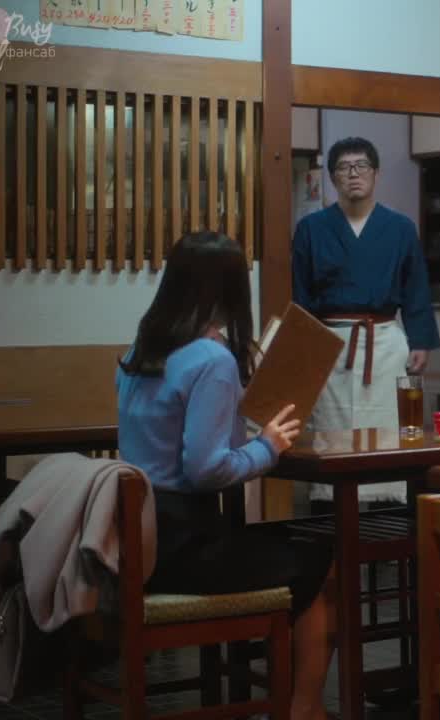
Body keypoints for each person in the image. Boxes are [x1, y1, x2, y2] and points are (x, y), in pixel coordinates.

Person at [117, 232, 335, 720]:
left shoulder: (141, 350)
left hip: (137, 543)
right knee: (320, 561)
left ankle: (275, 699)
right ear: (231, 289)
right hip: (184, 547)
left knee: (289, 549)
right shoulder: (212, 360)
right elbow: (207, 469)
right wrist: (267, 447)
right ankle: (304, 709)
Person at [292, 136, 440, 510]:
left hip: (385, 341)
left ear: (376, 173)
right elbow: (300, 295)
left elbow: (416, 287)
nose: (353, 174)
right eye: (343, 167)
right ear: (332, 178)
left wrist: (420, 341)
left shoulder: (400, 228)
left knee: (386, 429)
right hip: (330, 343)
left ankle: (388, 515)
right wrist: (304, 351)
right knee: (331, 430)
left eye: (361, 166)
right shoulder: (311, 228)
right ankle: (328, 514)